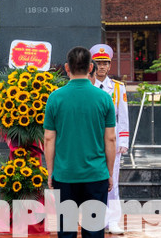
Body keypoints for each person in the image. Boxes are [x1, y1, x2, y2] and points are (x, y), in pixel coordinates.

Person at [45, 46, 116, 238]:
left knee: (66, 230)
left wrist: (51, 172)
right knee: (94, 231)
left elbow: (49, 138)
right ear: (91, 67)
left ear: (67, 68)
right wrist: (109, 172)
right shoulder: (104, 98)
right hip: (96, 174)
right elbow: (110, 138)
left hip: (65, 174)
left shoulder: (55, 98)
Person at [90, 43, 130, 233]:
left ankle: (113, 220)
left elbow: (122, 117)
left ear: (110, 65)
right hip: (91, 142)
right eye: (98, 63)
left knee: (112, 181)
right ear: (92, 64)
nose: (102, 67)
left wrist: (123, 142)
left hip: (111, 142)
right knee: (92, 182)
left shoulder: (116, 88)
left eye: (105, 63)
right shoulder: (88, 87)